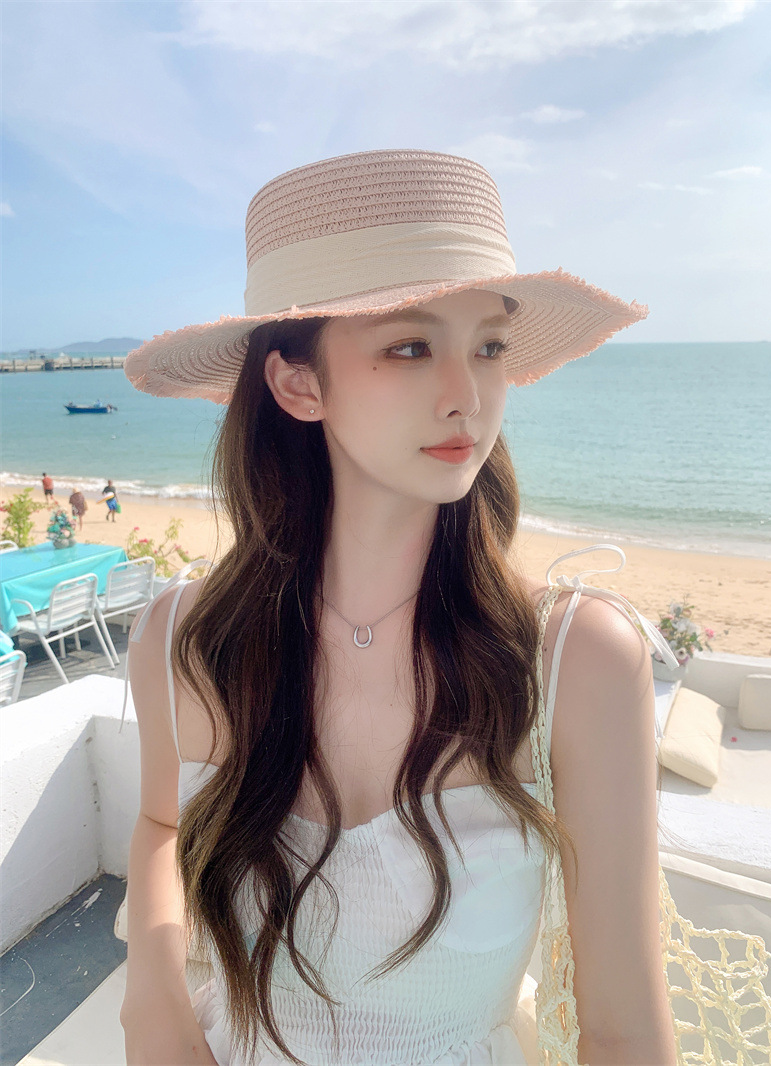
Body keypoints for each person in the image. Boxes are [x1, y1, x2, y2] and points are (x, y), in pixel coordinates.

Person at [119, 150, 677, 1066]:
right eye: (410, 346)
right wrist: (152, 1000)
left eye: (489, 346)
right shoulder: (183, 639)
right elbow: (161, 825)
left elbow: (623, 1034)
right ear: (298, 385)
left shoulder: (575, 660)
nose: (469, 396)